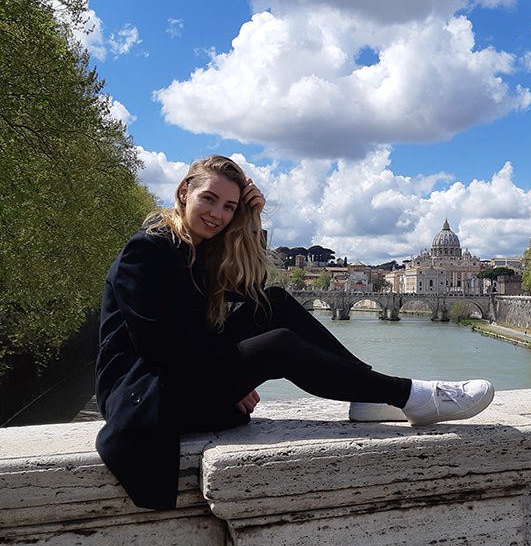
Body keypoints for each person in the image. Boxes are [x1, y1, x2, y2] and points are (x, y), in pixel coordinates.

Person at [95, 155, 494, 510]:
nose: (218, 213)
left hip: (179, 376)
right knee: (277, 347)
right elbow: (162, 351)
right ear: (184, 191)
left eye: (230, 206)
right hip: (146, 395)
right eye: (209, 199)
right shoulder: (147, 250)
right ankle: (411, 396)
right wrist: (232, 374)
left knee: (275, 303)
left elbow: (250, 289)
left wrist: (252, 218)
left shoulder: (198, 250)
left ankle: (367, 391)